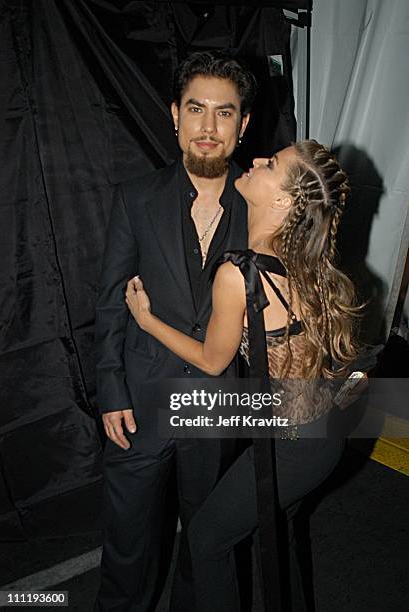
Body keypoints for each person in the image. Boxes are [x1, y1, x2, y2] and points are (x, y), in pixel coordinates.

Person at [125, 140, 362, 611]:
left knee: (207, 538)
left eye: (271, 164)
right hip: (322, 431)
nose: (255, 161)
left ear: (282, 200)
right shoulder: (310, 260)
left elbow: (213, 361)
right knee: (273, 534)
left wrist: (148, 320)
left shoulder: (239, 273)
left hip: (293, 443)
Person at [94, 51, 257, 612]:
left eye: (224, 113)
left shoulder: (263, 205)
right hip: (140, 399)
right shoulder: (136, 198)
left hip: (218, 404)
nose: (208, 129)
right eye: (196, 110)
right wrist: (111, 390)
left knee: (209, 544)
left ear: (243, 124)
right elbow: (113, 303)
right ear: (174, 116)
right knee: (127, 544)